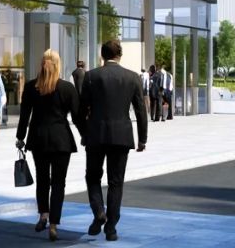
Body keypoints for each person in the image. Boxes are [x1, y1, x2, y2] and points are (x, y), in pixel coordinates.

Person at [79, 39, 148, 242]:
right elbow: (141, 111)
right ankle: (111, 228)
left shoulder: (91, 76)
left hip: (96, 135)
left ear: (102, 55)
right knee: (116, 182)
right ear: (120, 55)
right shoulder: (132, 77)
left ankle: (99, 212)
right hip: (121, 136)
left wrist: (84, 133)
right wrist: (142, 138)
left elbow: (81, 110)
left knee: (93, 177)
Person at [16, 49, 86, 243]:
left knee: (42, 179)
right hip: (61, 140)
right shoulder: (67, 88)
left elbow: (24, 116)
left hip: (38, 138)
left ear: (42, 64)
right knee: (58, 183)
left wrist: (20, 137)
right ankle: (54, 224)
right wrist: (85, 135)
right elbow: (77, 116)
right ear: (58, 65)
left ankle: (43, 215)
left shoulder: (31, 87)